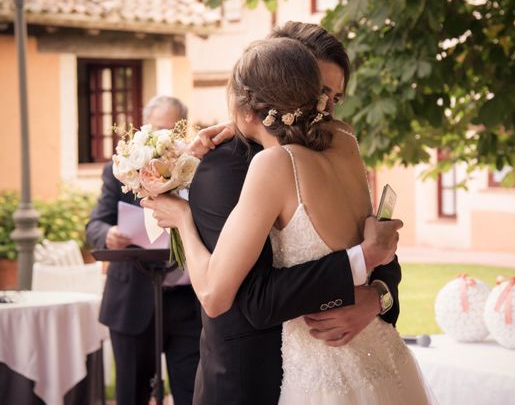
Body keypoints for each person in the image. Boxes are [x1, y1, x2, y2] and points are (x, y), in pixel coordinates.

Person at [144, 38, 433, 404]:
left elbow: (216, 297)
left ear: (245, 104)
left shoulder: (273, 164)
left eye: (334, 98)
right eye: (321, 93)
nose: (326, 106)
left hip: (317, 371)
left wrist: (182, 219)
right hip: (373, 362)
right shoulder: (344, 138)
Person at [86, 96, 201, 405]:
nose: (163, 140)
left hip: (188, 302)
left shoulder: (197, 170)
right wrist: (109, 234)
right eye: (157, 131)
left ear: (182, 132)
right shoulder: (121, 169)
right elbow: (95, 224)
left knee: (193, 394)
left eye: (170, 132)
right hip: (133, 299)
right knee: (131, 395)